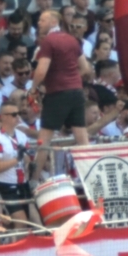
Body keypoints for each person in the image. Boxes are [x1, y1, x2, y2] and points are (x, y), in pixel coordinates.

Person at [32, 10, 88, 175]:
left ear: (53, 22)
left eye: (42, 20)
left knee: (44, 139)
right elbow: (85, 68)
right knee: (82, 137)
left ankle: (33, 179)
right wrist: (72, 80)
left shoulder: (48, 41)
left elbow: (41, 71)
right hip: (76, 92)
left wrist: (33, 88)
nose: (39, 23)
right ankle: (91, 175)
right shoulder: (72, 39)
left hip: (57, 93)